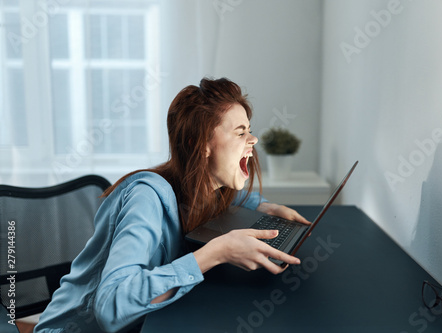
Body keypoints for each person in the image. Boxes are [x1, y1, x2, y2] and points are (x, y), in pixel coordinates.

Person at [34, 77, 309, 333]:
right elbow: (110, 308)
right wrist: (215, 253)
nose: (253, 140)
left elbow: (238, 195)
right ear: (201, 145)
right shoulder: (146, 199)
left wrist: (267, 207)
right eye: (240, 133)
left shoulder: (203, 187)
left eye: (250, 130)